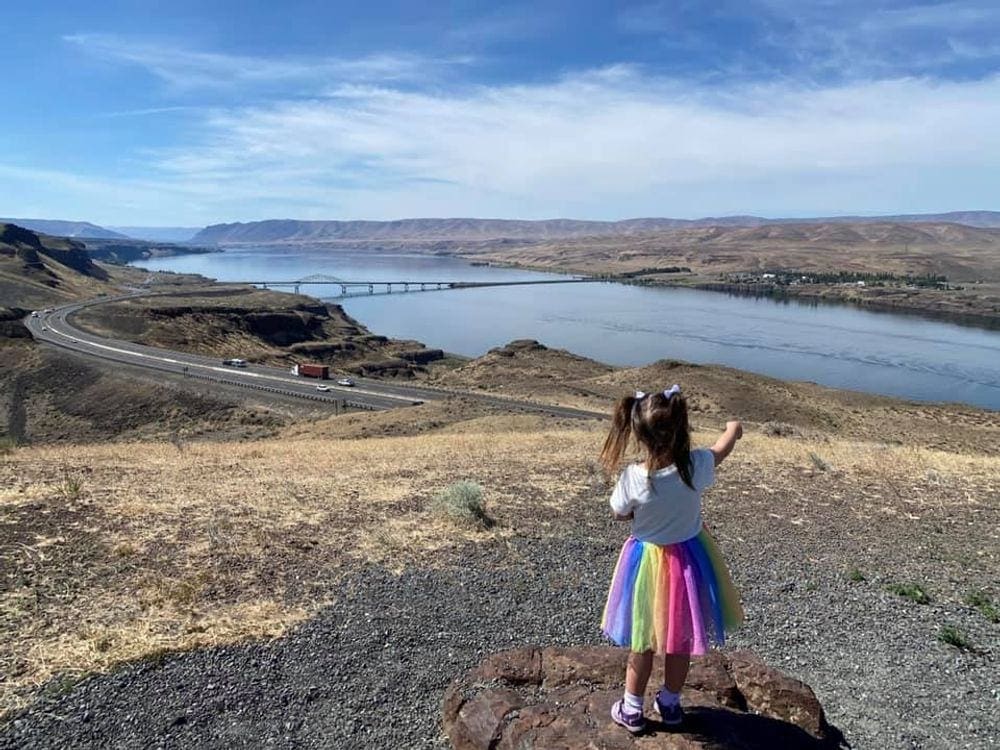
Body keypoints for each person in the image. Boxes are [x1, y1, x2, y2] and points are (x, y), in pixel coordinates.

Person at [600, 384, 744, 732]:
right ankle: (671, 704)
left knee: (643, 639)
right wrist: (732, 429)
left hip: (645, 564)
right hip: (688, 563)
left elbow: (619, 512)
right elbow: (722, 449)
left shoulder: (634, 477)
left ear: (638, 434)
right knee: (679, 640)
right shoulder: (694, 465)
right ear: (681, 426)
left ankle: (632, 709)